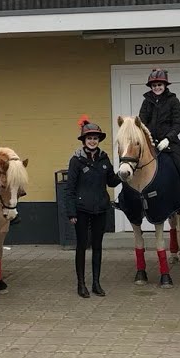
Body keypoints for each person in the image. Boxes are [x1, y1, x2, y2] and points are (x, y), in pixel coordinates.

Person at [64, 117, 121, 298]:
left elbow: (111, 181)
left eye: (95, 138)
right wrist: (71, 212)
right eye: (89, 138)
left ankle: (96, 283)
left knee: (97, 246)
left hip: (100, 208)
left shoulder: (104, 159)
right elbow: (70, 189)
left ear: (99, 140)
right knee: (82, 246)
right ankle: (81, 284)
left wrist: (124, 172)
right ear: (83, 140)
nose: (92, 141)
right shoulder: (76, 160)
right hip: (81, 210)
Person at [136, 68, 180, 206]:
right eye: (154, 85)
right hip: (150, 142)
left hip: (169, 142)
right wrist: (149, 138)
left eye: (159, 85)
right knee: (131, 163)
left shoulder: (173, 101)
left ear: (165, 85)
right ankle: (131, 199)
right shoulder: (146, 102)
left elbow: (178, 123)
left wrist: (168, 138)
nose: (157, 88)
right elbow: (142, 122)